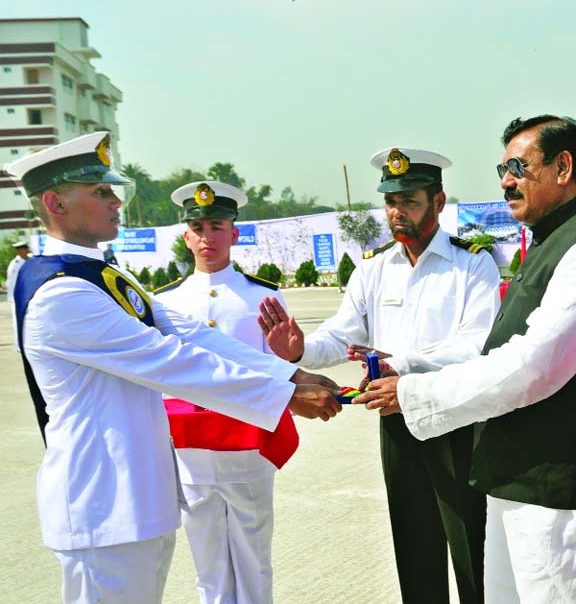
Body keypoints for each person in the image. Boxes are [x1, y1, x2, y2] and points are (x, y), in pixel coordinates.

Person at [4, 131, 342, 604]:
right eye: (100, 191)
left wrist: (292, 375)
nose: (116, 201)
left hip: (136, 497)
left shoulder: (99, 274)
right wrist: (284, 396)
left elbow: (188, 332)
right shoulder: (62, 291)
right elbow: (170, 360)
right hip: (101, 504)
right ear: (55, 203)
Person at [357, 115, 576, 604]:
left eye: (517, 167)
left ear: (563, 167)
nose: (506, 181)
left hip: (565, 497)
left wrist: (415, 394)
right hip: (518, 486)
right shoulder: (555, 238)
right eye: (502, 169)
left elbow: (532, 367)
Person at [258, 147, 500, 604]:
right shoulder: (373, 268)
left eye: (409, 201)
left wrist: (401, 363)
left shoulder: (472, 263)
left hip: (456, 418)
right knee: (414, 545)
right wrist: (300, 350)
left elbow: (477, 343)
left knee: (473, 547)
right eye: (390, 202)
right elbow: (341, 335)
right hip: (397, 420)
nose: (397, 212)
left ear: (438, 202)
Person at [154, 181, 298, 604]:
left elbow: (277, 368)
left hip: (247, 446)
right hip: (190, 451)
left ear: (234, 233)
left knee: (254, 558)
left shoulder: (263, 296)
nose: (207, 237)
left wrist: (291, 357)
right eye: (197, 227)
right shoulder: (165, 302)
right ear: (185, 236)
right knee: (208, 562)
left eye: (216, 226)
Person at [7, 239, 31, 341]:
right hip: (19, 296)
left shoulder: (32, 259)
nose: (20, 251)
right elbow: (11, 281)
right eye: (18, 250)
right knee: (18, 319)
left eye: (22, 249)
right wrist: (12, 297)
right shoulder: (15, 264)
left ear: (26, 250)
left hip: (31, 293)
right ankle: (19, 342)